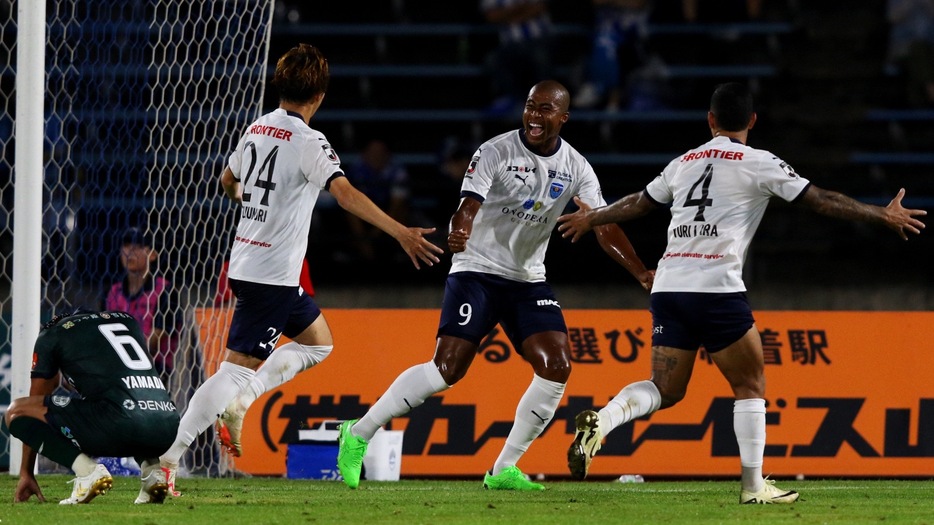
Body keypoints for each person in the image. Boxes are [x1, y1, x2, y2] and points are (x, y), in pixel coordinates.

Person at [556, 82, 927, 503]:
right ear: (752, 121)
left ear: (710, 120)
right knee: (750, 385)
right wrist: (880, 214)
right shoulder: (759, 162)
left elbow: (641, 202)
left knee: (666, 389)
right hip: (715, 289)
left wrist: (594, 218)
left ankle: (601, 424)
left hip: (669, 286)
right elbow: (821, 200)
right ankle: (753, 488)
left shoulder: (684, 162)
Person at [336, 80, 654, 491]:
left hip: (527, 280)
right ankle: (357, 434)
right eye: (530, 107)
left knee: (556, 366)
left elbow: (602, 223)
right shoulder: (496, 150)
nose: (535, 117)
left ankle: (503, 468)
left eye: (545, 110)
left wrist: (640, 271)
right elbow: (467, 205)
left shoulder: (577, 167)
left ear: (563, 117)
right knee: (446, 370)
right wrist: (460, 231)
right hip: (477, 270)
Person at [157, 43, 442, 493]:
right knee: (233, 370)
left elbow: (227, 182)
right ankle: (167, 461)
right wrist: (400, 231)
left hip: (255, 264)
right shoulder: (311, 142)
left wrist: (251, 208)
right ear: (320, 95)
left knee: (319, 344)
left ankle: (243, 402)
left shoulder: (257, 127)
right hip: (269, 274)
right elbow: (344, 194)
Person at [3, 309, 180, 504]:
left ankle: (87, 472)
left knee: (17, 412)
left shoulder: (51, 334)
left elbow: (36, 403)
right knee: (128, 402)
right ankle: (152, 472)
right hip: (169, 426)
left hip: (120, 423)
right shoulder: (128, 320)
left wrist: (26, 472)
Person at [104, 227, 180, 386]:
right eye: (126, 245)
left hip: (154, 370)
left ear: (153, 254)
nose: (130, 252)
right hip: (116, 367)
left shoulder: (165, 291)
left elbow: (156, 340)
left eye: (138, 247)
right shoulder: (113, 292)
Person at [344, 139, 411, 263]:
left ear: (387, 154)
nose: (376, 157)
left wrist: (376, 233)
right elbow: (350, 203)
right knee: (346, 210)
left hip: (387, 213)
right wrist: (363, 240)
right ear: (364, 154)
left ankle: (397, 255)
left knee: (403, 211)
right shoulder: (356, 170)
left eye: (380, 153)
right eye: (372, 152)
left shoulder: (397, 170)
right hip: (361, 213)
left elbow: (396, 206)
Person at [481, 0, 555, 114]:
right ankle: (512, 99)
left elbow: (540, 7)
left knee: (540, 56)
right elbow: (492, 16)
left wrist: (509, 15)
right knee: (493, 60)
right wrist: (523, 9)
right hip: (510, 45)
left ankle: (544, 100)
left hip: (539, 40)